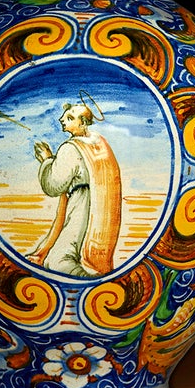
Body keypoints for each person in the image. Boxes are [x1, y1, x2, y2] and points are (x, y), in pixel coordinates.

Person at [29, 101, 121, 277]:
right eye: (64, 116)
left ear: (83, 123)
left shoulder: (71, 148)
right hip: (99, 205)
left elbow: (53, 185)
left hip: (82, 204)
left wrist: (46, 160)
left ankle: (91, 283)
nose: (61, 119)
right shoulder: (99, 142)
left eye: (70, 117)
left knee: (57, 261)